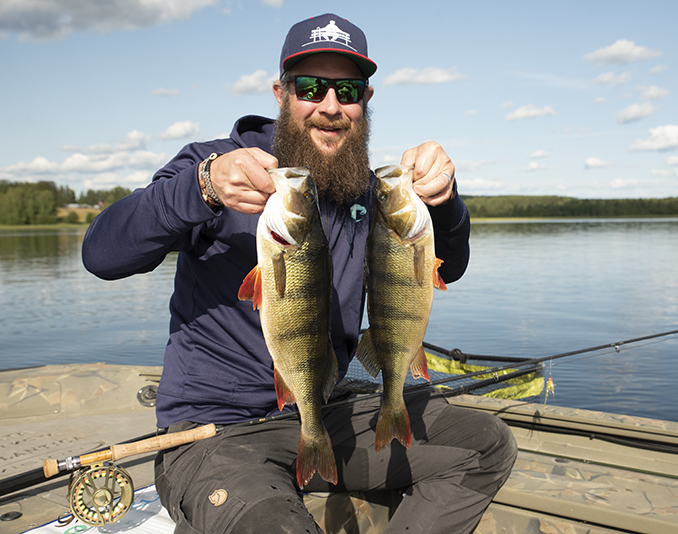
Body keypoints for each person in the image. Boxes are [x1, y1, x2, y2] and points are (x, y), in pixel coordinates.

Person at [82, 13, 516, 534]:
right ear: (281, 93)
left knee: (485, 444)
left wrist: (445, 204)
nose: (329, 106)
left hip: (322, 412)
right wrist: (201, 187)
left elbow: (452, 263)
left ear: (366, 99)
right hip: (214, 432)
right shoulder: (212, 166)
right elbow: (102, 255)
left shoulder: (369, 194)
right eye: (310, 87)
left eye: (347, 90)